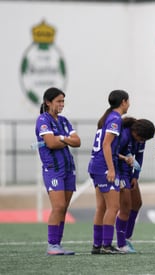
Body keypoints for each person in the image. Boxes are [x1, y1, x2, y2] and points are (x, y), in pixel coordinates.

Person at [35, 87, 81, 255]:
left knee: (64, 208)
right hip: (53, 169)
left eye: (63, 101)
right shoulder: (43, 120)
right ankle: (52, 245)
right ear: (48, 102)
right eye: (58, 101)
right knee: (58, 206)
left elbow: (77, 142)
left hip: (69, 168)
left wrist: (60, 138)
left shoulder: (64, 121)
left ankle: (57, 245)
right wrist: (65, 140)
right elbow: (50, 144)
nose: (61, 104)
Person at [88, 90, 130, 254]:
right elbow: (106, 145)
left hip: (96, 165)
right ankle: (106, 245)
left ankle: (97, 245)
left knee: (102, 208)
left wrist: (121, 157)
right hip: (103, 167)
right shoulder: (115, 119)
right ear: (124, 102)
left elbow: (107, 147)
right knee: (113, 207)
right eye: (128, 101)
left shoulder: (107, 117)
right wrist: (111, 169)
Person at [116, 117, 155, 253]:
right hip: (119, 173)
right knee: (125, 207)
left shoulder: (140, 139)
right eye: (141, 138)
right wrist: (124, 162)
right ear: (135, 132)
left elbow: (139, 158)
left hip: (129, 174)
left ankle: (127, 238)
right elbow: (113, 153)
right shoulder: (125, 135)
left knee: (137, 203)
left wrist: (135, 176)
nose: (142, 141)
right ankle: (121, 244)